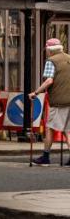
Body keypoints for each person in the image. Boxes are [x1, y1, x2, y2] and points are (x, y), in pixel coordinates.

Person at [31, 38, 70, 166]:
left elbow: (49, 81)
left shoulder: (51, 61)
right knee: (67, 129)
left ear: (49, 49)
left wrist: (36, 92)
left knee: (50, 128)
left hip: (59, 101)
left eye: (46, 49)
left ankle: (46, 157)